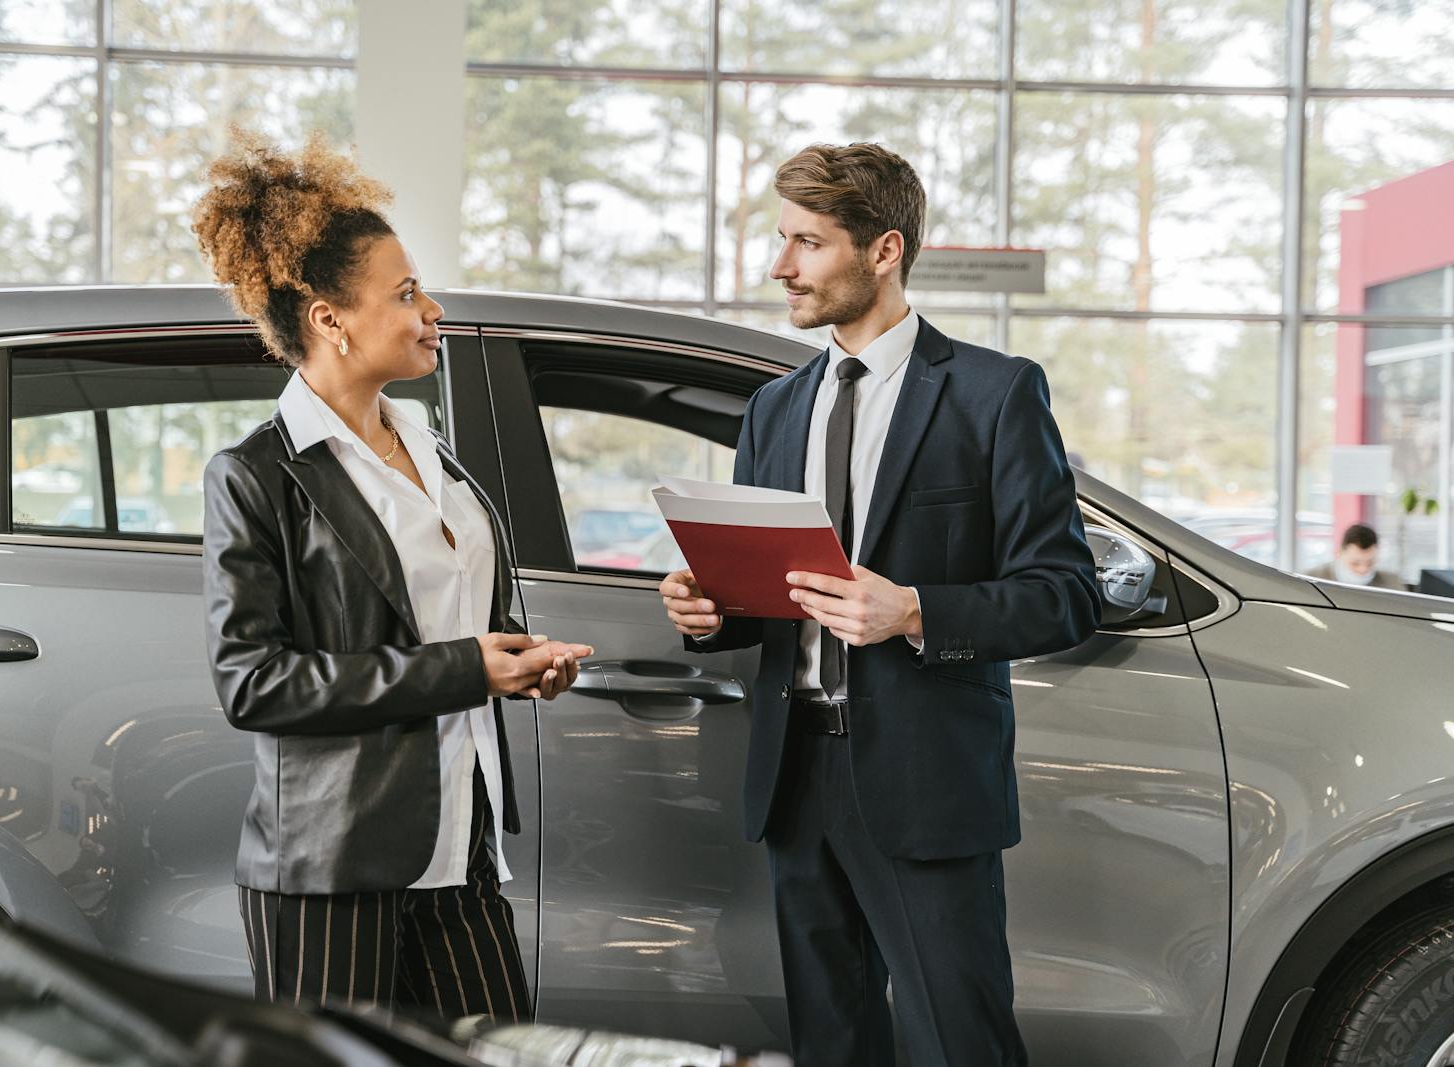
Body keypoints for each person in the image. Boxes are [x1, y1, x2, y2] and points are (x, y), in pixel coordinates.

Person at [660, 143, 1100, 1066]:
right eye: (783, 239)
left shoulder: (994, 393)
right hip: (796, 776)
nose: (781, 266)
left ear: (885, 249)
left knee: (960, 1043)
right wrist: (713, 610)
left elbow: (1064, 595)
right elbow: (771, 596)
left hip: (925, 779)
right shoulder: (774, 409)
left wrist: (914, 612)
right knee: (830, 1044)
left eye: (808, 243)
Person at [194, 130, 590, 1018]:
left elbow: (449, 618)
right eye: (406, 293)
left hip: (462, 844)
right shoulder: (257, 476)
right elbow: (252, 682)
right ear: (329, 319)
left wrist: (518, 663)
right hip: (333, 865)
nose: (431, 309)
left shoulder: (428, 447)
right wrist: (464, 669)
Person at [1304, 522, 1406, 590]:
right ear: (1340, 553)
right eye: (1355, 563)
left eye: (1370, 563)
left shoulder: (1392, 584)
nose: (1363, 569)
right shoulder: (1311, 580)